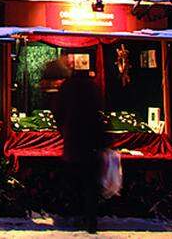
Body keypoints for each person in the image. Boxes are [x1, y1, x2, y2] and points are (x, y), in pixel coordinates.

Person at [51, 70, 109, 234]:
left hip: (74, 141)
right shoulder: (93, 87)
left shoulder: (67, 87)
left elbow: (58, 112)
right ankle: (90, 219)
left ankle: (76, 214)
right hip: (92, 142)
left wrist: (64, 130)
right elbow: (101, 110)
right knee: (90, 183)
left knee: (75, 180)